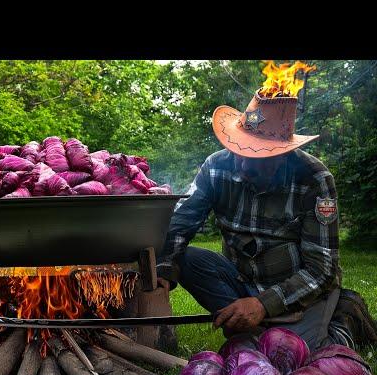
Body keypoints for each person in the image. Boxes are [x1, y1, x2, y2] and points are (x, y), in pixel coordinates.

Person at [156, 87, 377, 352]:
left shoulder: (315, 179)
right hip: (240, 279)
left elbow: (322, 270)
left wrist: (263, 304)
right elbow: (181, 224)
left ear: (283, 154)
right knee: (188, 258)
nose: (243, 165)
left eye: (257, 156)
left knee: (292, 355)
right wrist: (163, 271)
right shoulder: (215, 167)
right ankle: (253, 329)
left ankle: (343, 317)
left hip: (296, 290)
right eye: (240, 149)